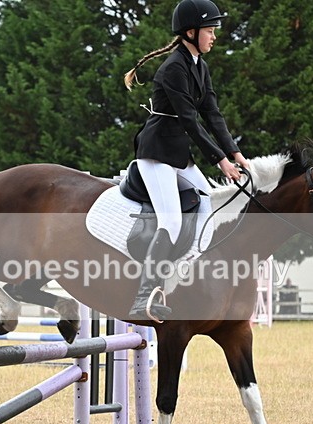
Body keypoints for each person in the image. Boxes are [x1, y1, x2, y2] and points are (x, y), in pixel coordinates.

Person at [124, 0, 250, 321]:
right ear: (191, 32)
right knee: (171, 220)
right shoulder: (173, 68)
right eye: (210, 30)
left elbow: (213, 114)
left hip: (178, 153)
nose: (214, 36)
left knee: (207, 204)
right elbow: (190, 121)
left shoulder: (199, 66)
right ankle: (143, 296)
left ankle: (181, 272)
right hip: (156, 152)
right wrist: (221, 161)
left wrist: (236, 153)